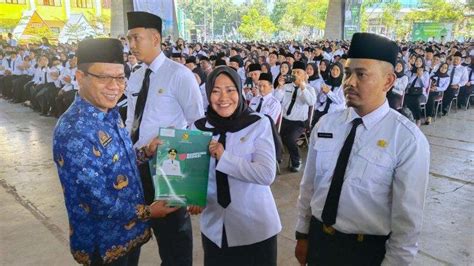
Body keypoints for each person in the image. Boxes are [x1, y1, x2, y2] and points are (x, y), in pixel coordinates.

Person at [295, 32, 430, 266]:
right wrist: (302, 234)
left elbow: (407, 224)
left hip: (365, 252)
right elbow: (309, 186)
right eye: (347, 73)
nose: (349, 82)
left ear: (388, 81)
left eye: (361, 74)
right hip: (320, 241)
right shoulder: (327, 124)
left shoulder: (407, 139)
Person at [52, 38, 179, 266]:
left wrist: (145, 152)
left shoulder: (108, 112)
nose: (115, 86)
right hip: (104, 245)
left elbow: (119, 159)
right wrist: (149, 212)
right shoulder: (74, 130)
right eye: (103, 77)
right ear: (80, 77)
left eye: (120, 77)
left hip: (129, 235)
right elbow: (97, 199)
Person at [125, 11, 204, 266]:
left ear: (155, 38)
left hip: (167, 165)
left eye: (136, 38)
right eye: (129, 39)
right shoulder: (136, 75)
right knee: (137, 233)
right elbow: (130, 122)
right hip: (137, 163)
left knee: (175, 244)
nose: (131, 45)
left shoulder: (179, 75)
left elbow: (196, 123)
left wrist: (191, 185)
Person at [190, 66, 282, 266]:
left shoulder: (258, 123)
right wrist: (194, 194)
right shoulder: (197, 129)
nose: (223, 98)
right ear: (208, 94)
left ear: (239, 91)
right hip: (215, 228)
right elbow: (194, 173)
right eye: (215, 91)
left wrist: (224, 157)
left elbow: (266, 174)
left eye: (230, 90)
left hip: (255, 229)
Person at [276, 61, 316, 172]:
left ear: (304, 75)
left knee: (289, 139)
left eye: (298, 72)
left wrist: (302, 87)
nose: (295, 74)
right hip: (284, 120)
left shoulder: (309, 89)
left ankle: (296, 160)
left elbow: (311, 102)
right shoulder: (287, 86)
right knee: (273, 134)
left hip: (298, 123)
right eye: (293, 72)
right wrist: (279, 87)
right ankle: (277, 158)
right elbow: (276, 99)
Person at [312, 62, 346, 126]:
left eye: (337, 70)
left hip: (334, 113)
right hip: (322, 110)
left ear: (341, 71)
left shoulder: (343, 86)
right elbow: (321, 100)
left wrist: (328, 92)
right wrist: (323, 93)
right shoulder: (327, 82)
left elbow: (340, 101)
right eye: (333, 69)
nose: (334, 72)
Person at [405, 56, 429, 126]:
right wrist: (415, 75)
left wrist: (421, 76)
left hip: (421, 93)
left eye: (420, 61)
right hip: (409, 92)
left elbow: (425, 86)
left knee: (415, 99)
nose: (418, 62)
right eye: (416, 61)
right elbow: (407, 82)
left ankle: (418, 118)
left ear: (422, 63)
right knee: (406, 99)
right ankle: (410, 117)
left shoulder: (425, 73)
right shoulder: (409, 72)